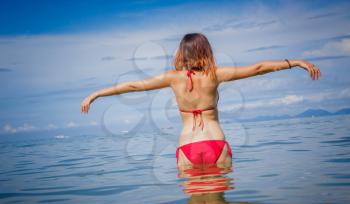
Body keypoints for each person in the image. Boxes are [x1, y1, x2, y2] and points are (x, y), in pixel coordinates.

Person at [80, 33, 321, 167]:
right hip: (216, 143)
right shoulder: (215, 75)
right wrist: (295, 62)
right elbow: (258, 68)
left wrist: (96, 94)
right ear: (206, 51)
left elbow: (134, 85)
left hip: (187, 148)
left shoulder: (172, 78)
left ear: (181, 53)